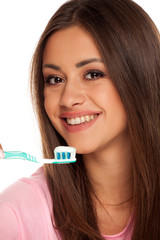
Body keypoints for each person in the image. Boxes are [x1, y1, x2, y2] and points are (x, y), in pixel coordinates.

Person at [0, 0, 160, 239]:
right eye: (55, 79)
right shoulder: (13, 214)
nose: (68, 99)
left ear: (140, 76)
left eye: (93, 74)